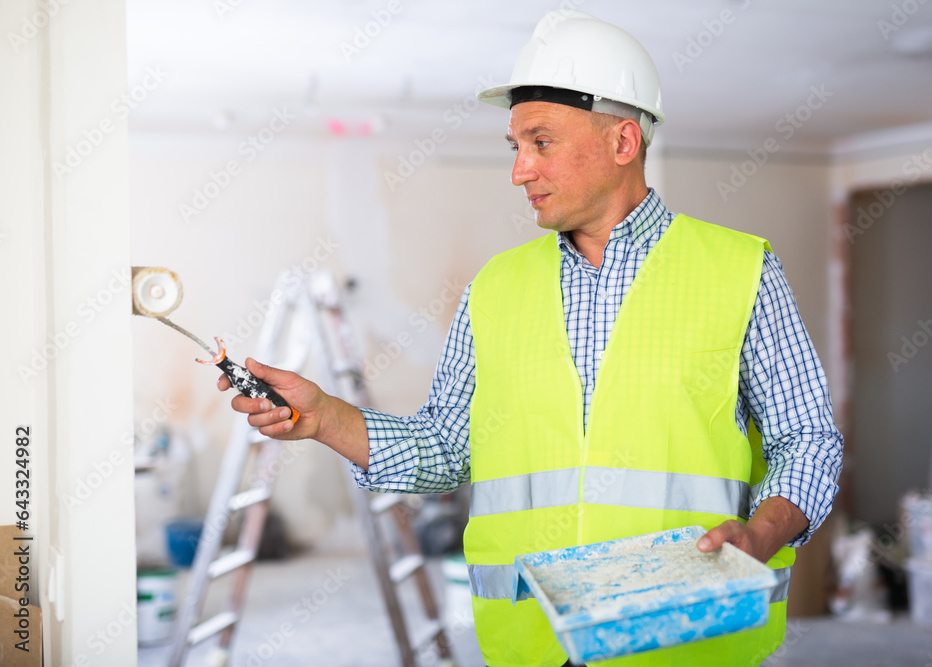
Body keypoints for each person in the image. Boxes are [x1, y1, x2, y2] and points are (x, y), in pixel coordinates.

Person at [220, 10, 843, 667]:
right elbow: (443, 447)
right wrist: (325, 416)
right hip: (532, 643)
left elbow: (808, 438)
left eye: (540, 142)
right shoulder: (496, 287)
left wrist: (763, 532)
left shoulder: (740, 270)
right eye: (514, 146)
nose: (520, 171)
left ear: (623, 142)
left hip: (684, 636)